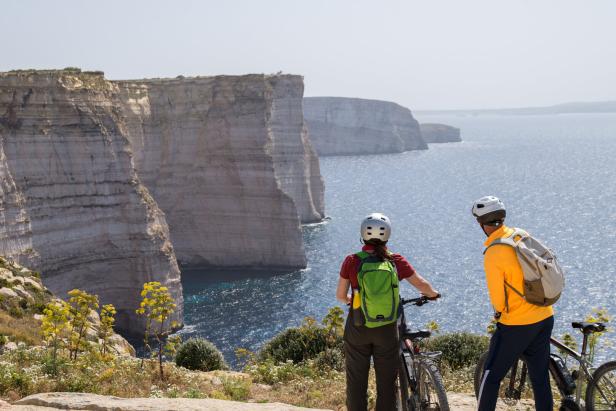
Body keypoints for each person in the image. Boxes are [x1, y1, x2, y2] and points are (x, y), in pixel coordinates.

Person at [336, 212, 439, 411]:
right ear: (387, 236)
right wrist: (434, 294)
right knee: (386, 385)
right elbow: (422, 285)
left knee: (356, 383)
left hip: (358, 327)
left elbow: (340, 295)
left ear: (363, 236)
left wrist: (352, 300)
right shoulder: (395, 260)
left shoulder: (352, 260)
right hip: (387, 330)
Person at [472, 196, 554, 411]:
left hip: (517, 323)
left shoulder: (494, 252)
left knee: (490, 376)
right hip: (544, 315)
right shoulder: (520, 234)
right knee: (540, 379)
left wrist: (499, 314)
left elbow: (498, 298)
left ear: (482, 224)